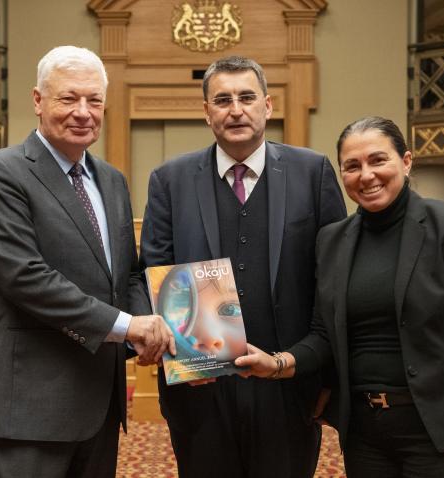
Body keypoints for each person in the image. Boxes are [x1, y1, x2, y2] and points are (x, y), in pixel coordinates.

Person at [236, 116, 444, 478]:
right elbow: (324, 336)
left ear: (406, 161)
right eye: (352, 166)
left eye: (377, 160)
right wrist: (276, 364)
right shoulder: (332, 241)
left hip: (440, 429)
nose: (365, 175)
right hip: (365, 434)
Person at [0, 45, 175, 478]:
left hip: (99, 403)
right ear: (38, 101)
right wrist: (128, 326)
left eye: (94, 100)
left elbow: (128, 273)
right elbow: (25, 278)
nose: (83, 112)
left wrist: (145, 324)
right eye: (68, 98)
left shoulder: (112, 180)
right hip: (30, 409)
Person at [139, 56, 346, 478]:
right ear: (206, 112)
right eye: (223, 99)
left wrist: (322, 373)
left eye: (247, 97)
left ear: (268, 106)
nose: (235, 109)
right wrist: (181, 351)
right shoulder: (169, 180)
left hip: (288, 384)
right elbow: (155, 271)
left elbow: (335, 280)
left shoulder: (313, 172)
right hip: (201, 387)